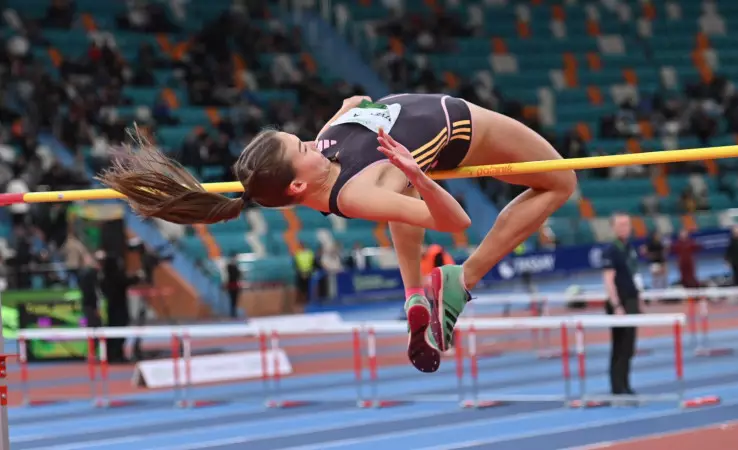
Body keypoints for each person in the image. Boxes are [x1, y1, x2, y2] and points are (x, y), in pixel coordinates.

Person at [97, 93, 576, 374]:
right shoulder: (354, 193)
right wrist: (421, 174)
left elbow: (350, 107)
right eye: (304, 145)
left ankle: (413, 295)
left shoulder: (321, 161)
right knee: (560, 180)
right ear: (299, 185)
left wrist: (356, 110)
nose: (315, 140)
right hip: (457, 125)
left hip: (408, 138)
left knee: (401, 195)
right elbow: (455, 223)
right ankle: (463, 280)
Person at [601, 213, 641, 398]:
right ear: (614, 228)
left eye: (627, 224)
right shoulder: (611, 250)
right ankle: (618, 387)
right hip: (620, 303)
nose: (625, 228)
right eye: (621, 225)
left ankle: (625, 383)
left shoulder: (629, 248)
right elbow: (608, 280)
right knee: (620, 346)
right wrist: (616, 305)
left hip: (632, 301)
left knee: (629, 347)